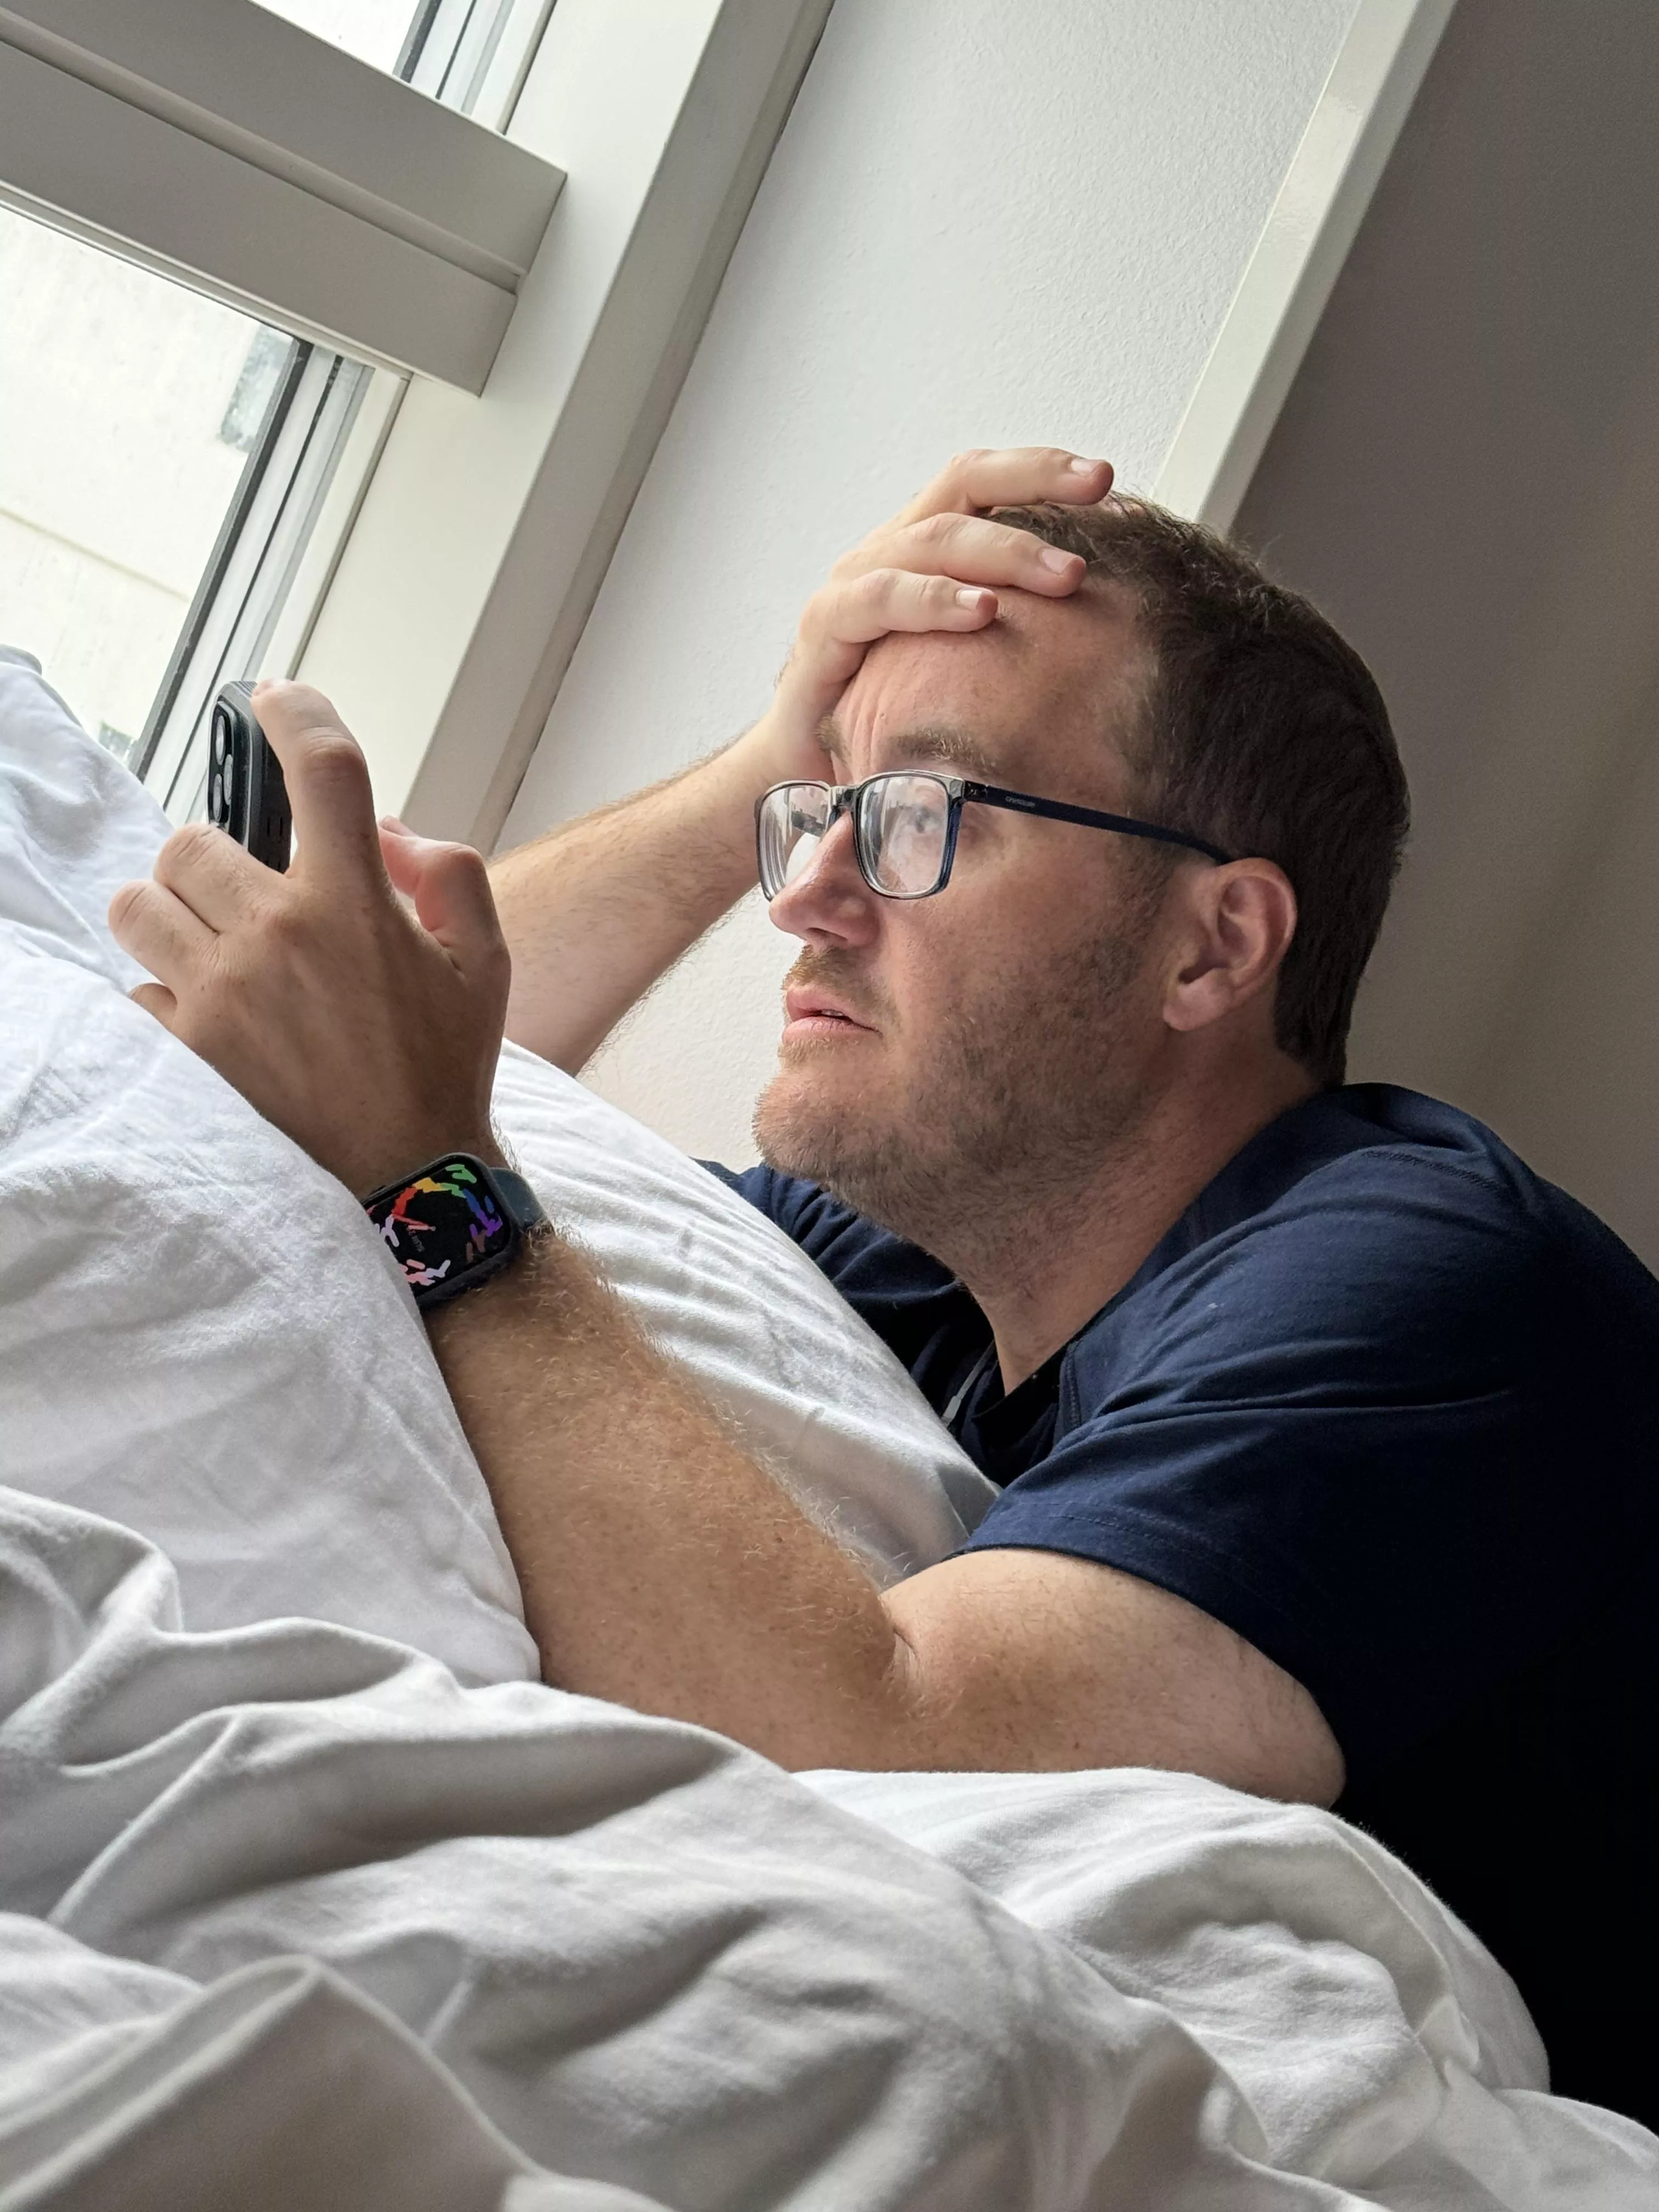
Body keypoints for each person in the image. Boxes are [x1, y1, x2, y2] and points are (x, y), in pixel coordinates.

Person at [109, 447, 1658, 2124]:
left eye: (921, 816)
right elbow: (462, 1066)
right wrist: (776, 753)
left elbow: (879, 1758)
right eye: (819, 815)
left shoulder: (1427, 1282)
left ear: (1214, 946)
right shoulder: (937, 1257)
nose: (804, 893)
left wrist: (430, 1180)